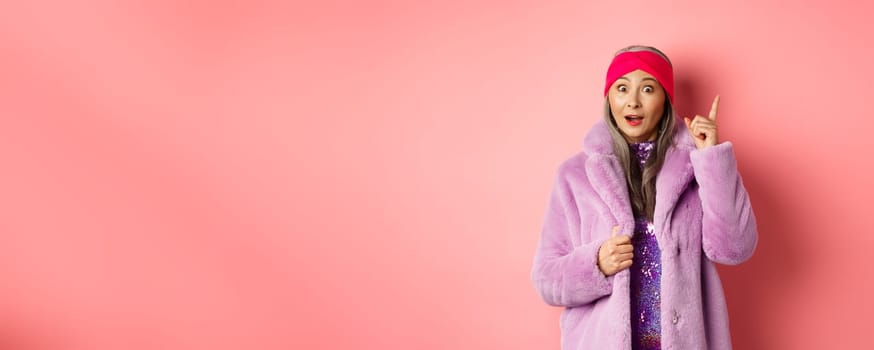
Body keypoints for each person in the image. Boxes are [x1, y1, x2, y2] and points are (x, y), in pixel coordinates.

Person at [529, 45, 758, 350]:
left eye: (648, 88)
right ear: (609, 98)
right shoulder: (575, 175)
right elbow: (546, 279)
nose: (633, 101)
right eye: (622, 88)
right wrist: (596, 264)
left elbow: (735, 248)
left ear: (665, 99)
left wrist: (712, 160)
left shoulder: (696, 166)